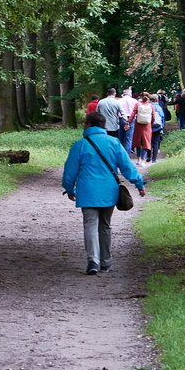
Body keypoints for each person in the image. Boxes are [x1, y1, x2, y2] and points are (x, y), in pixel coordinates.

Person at [62, 109, 146, 274]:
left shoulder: (80, 145)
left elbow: (70, 171)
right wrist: (139, 183)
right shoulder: (114, 143)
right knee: (105, 226)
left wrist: (69, 188)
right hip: (109, 191)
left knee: (90, 225)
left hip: (87, 191)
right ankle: (106, 262)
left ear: (89, 125)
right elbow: (127, 166)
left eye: (84, 123)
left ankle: (93, 261)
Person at [132, 90, 154, 160]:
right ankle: (143, 159)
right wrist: (151, 124)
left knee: (138, 142)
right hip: (147, 126)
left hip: (138, 125)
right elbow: (153, 117)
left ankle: (138, 159)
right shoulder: (151, 106)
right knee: (146, 143)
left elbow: (133, 114)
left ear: (141, 97)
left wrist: (128, 122)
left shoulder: (138, 105)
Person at [118, 88, 138, 153]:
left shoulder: (119, 101)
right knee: (129, 138)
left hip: (121, 118)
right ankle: (127, 154)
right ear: (130, 94)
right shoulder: (134, 101)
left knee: (121, 136)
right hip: (131, 119)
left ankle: (121, 153)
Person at [150, 94, 168, 161]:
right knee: (155, 142)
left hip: (149, 126)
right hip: (157, 127)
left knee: (148, 142)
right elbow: (162, 117)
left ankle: (148, 156)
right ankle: (154, 158)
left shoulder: (148, 106)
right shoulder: (159, 107)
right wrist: (162, 126)